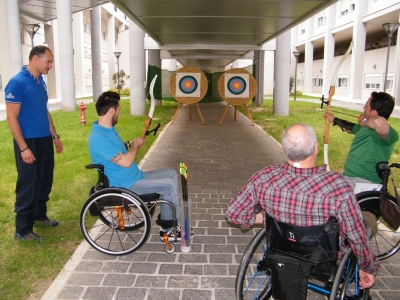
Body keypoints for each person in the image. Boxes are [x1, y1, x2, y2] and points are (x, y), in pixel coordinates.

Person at [226, 124, 379, 289]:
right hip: (324, 260)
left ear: (285, 149)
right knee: (367, 221)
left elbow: (233, 214)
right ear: (316, 148)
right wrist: (367, 267)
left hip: (282, 250)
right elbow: (356, 235)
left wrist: (267, 218)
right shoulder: (336, 186)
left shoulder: (265, 177)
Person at [88, 91, 188, 241]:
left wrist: (133, 144)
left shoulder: (108, 130)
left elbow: (119, 150)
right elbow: (126, 162)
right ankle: (168, 230)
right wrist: (135, 146)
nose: (120, 112)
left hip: (134, 176)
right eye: (119, 109)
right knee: (167, 185)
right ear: (111, 111)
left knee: (171, 173)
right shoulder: (99, 138)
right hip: (126, 184)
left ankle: (171, 220)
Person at [5, 45, 63, 243]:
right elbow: (11, 118)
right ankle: (22, 229)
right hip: (28, 141)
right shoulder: (17, 82)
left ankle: (40, 215)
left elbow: (44, 110)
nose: (50, 66)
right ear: (35, 59)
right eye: (48, 62)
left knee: (45, 180)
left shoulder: (40, 82)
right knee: (28, 184)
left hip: (44, 139)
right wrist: (23, 148)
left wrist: (54, 136)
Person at [324, 91, 398, 189]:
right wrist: (333, 119)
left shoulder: (388, 134)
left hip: (365, 183)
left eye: (366, 105)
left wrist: (364, 120)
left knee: (324, 189)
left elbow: (379, 122)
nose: (363, 107)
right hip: (351, 178)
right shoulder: (365, 128)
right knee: (322, 179)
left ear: (374, 112)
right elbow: (350, 127)